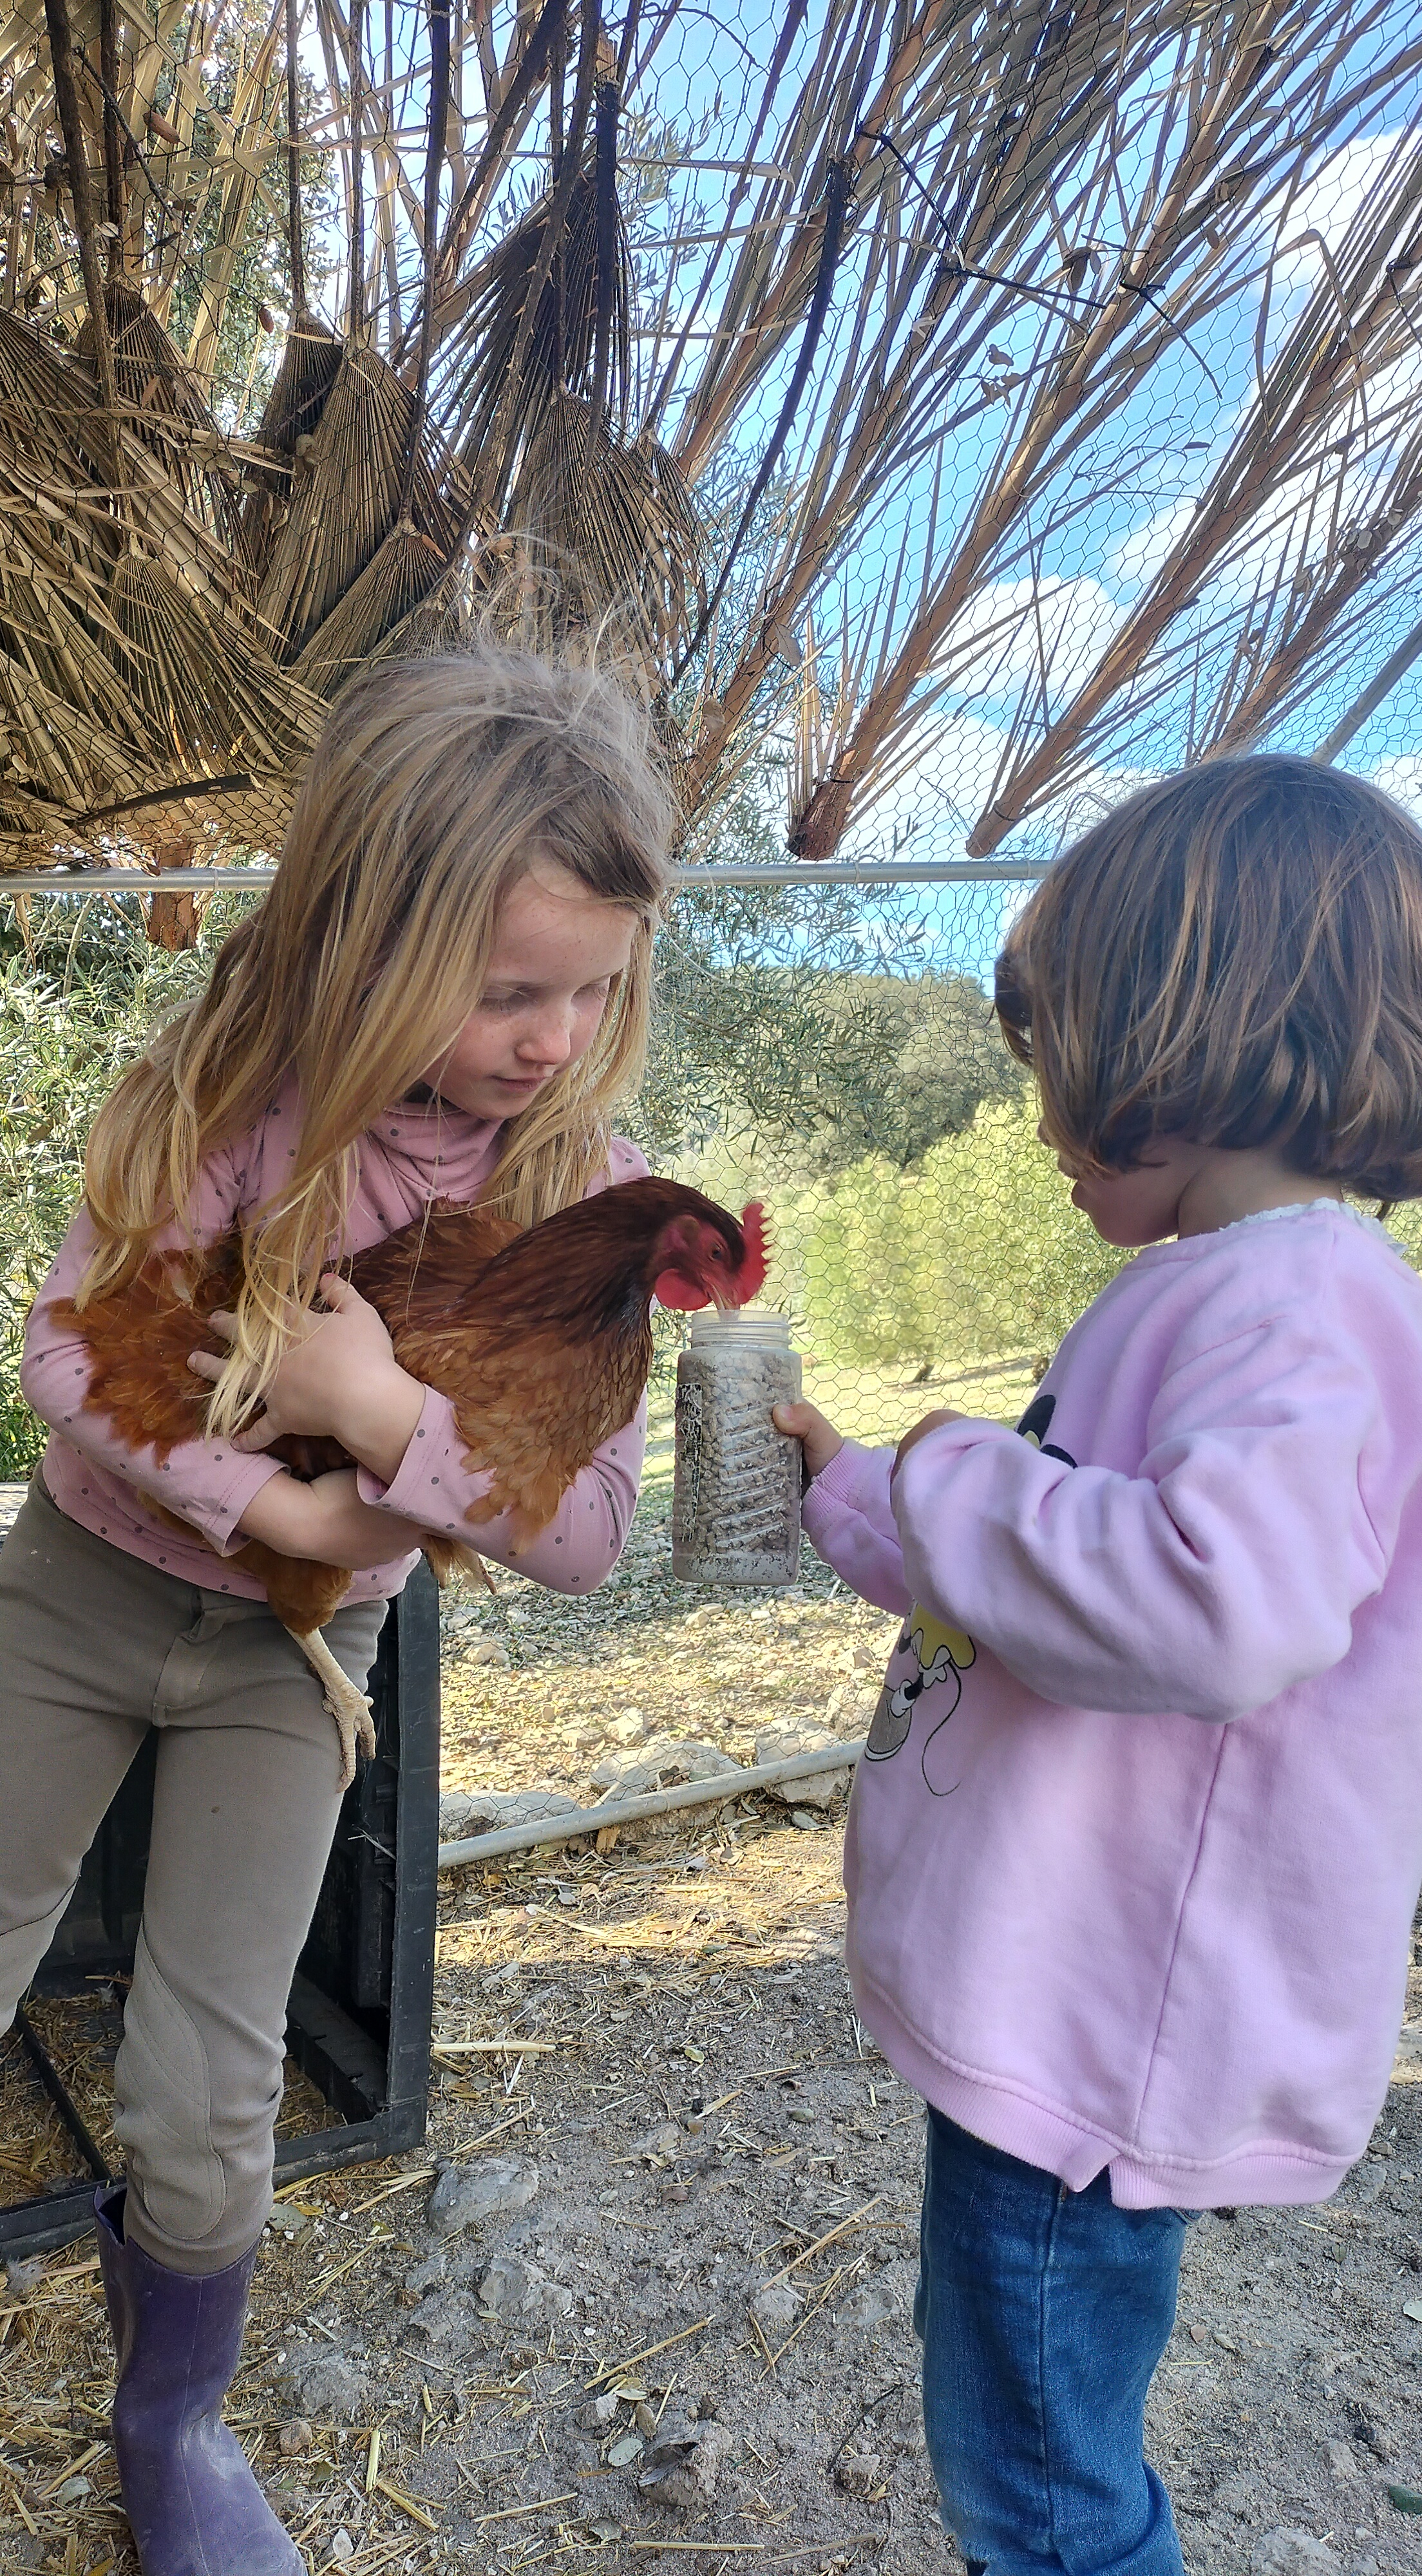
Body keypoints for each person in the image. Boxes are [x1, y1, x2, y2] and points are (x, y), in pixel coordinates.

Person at [0, 647, 674, 2576]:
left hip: (300, 1659)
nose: (554, 1039)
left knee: (208, 2076)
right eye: (505, 988)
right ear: (366, 935)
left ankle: (176, 2416)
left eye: (595, 989)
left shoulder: (585, 1199)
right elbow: (65, 1355)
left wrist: (377, 1417)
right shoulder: (222, 1095)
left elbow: (586, 1537)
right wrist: (278, 1494)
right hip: (70, 1589)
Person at [775, 755, 1422, 2576]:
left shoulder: (1298, 1297)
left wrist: (952, 1474)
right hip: (1065, 1986)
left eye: (1056, 1058)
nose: (1045, 1113)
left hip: (1103, 2015)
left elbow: (1219, 1604)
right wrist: (868, 1494)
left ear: (1178, 1033)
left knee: (1045, 2493)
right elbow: (1037, 1566)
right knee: (1023, 2432)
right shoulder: (1234, 1285)